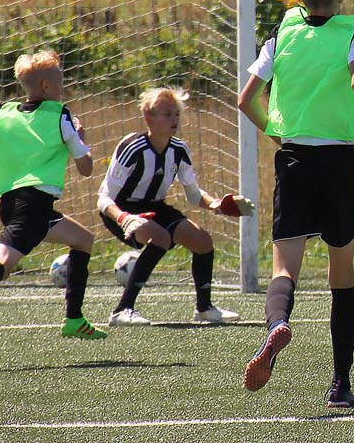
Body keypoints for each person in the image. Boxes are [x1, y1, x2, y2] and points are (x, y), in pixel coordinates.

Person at [236, 0, 354, 408]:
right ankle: (340, 384)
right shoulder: (352, 29)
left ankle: (277, 324)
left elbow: (245, 100)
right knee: (340, 274)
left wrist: (277, 133)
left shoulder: (282, 31)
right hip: (339, 162)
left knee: (284, 269)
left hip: (295, 160)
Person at [0, 50, 106, 346]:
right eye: (60, 81)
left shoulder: (1, 112)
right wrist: (81, 137)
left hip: (14, 204)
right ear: (46, 86)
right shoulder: (61, 117)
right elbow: (86, 168)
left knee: (83, 239)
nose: (63, 87)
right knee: (2, 265)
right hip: (34, 208)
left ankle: (74, 319)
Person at [96, 87, 249, 326]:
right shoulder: (132, 148)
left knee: (202, 241)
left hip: (155, 207)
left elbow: (194, 194)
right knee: (161, 239)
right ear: (148, 117)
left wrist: (216, 204)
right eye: (167, 114)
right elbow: (104, 198)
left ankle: (204, 309)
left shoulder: (179, 149)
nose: (174, 119)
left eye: (176, 114)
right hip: (121, 210)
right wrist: (125, 218)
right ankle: (122, 311)